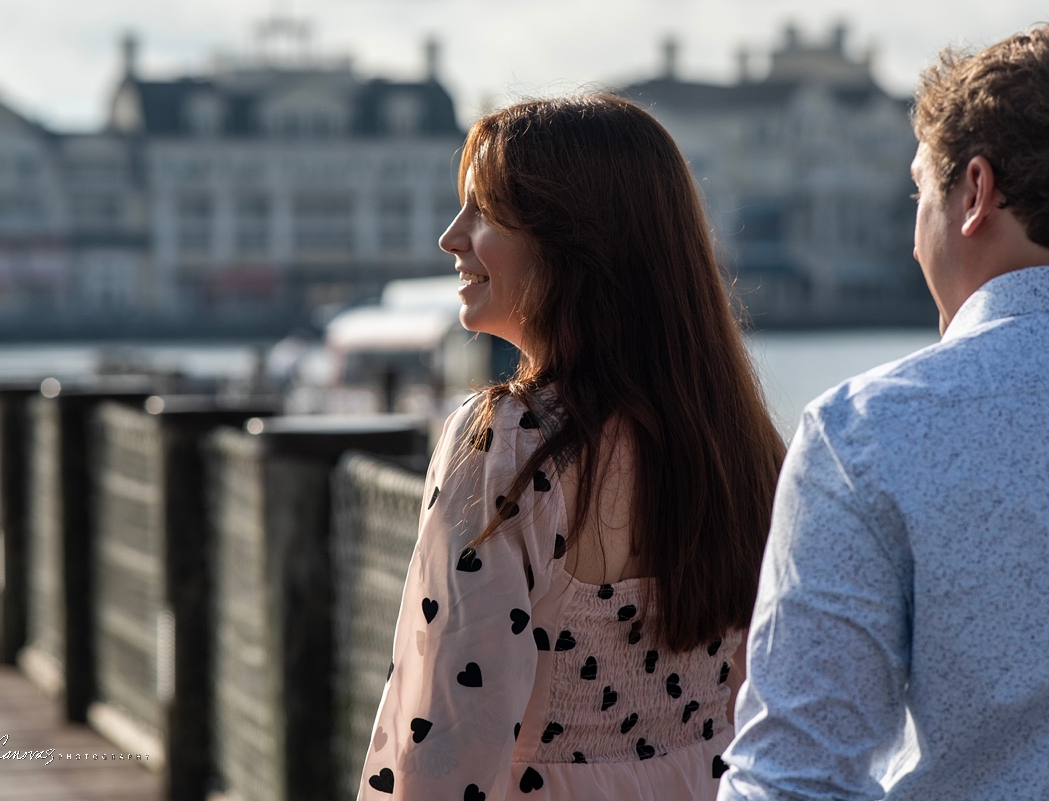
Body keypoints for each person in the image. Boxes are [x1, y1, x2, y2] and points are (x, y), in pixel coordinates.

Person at [358, 94, 785, 800]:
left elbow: (446, 741)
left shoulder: (506, 444)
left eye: (483, 213)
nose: (451, 238)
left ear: (573, 244)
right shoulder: (741, 442)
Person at [719, 26, 1049, 801]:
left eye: (918, 194)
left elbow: (795, 776)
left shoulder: (869, 432)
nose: (911, 242)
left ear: (975, 192)